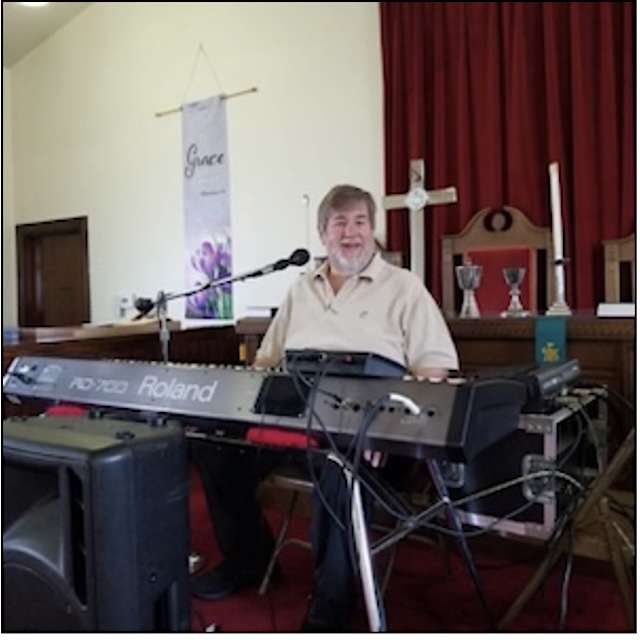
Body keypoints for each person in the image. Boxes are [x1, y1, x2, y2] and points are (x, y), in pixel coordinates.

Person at [190, 184, 459, 631]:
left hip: (370, 435)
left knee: (339, 469)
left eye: (360, 222)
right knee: (214, 448)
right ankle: (249, 559)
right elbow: (265, 363)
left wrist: (386, 427)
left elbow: (434, 373)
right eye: (340, 223)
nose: (351, 233)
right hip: (294, 421)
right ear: (323, 233)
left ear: (373, 229)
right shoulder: (301, 290)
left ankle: (333, 602)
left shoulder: (405, 288)